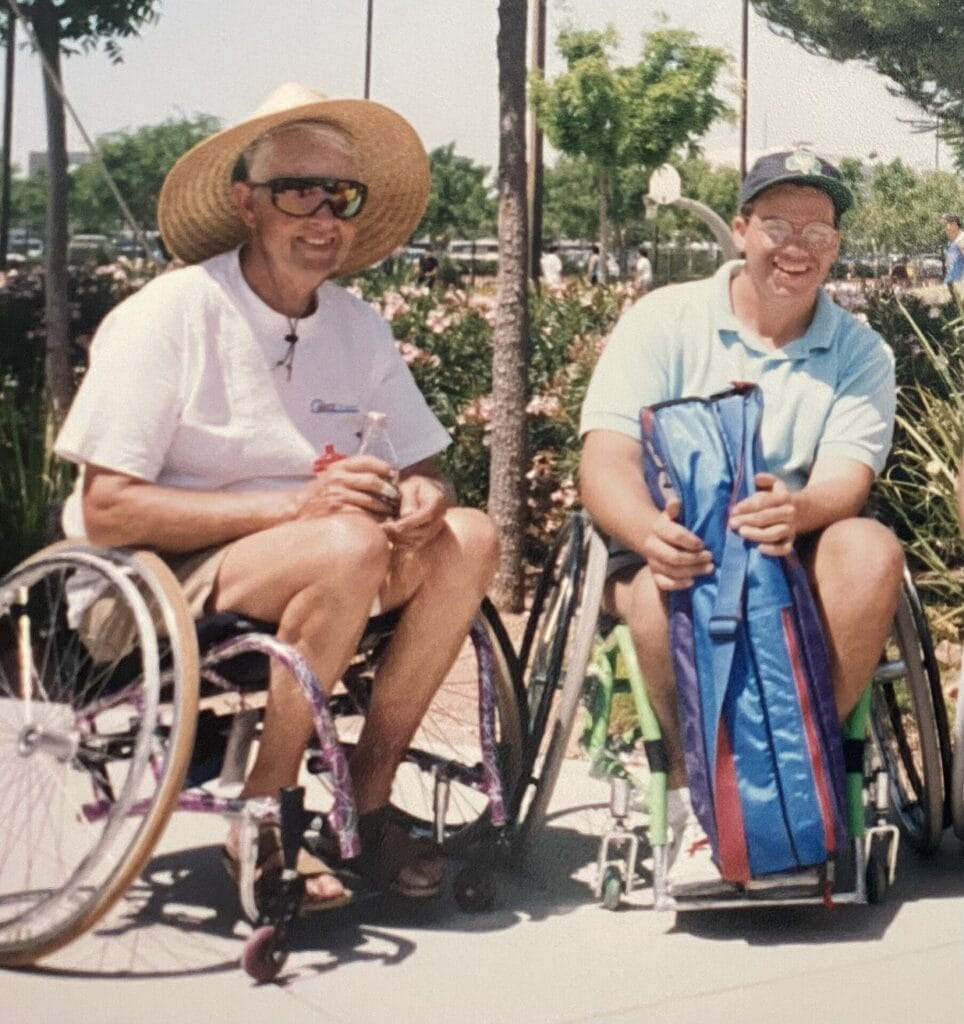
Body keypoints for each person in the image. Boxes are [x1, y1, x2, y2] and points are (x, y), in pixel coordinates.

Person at [54, 83, 499, 906]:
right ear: (246, 204)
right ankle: (265, 807)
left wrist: (424, 495)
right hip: (154, 577)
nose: (323, 215)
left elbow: (422, 464)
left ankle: (363, 802)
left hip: (323, 561)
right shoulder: (175, 314)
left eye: (342, 196)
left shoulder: (356, 325)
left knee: (469, 537)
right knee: (349, 541)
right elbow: (108, 507)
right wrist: (298, 510)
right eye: (298, 191)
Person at [579, 148, 902, 894]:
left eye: (818, 234)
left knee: (869, 549)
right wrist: (645, 531)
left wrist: (799, 509)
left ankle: (799, 783)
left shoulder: (860, 351)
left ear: (837, 248)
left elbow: (846, 477)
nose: (797, 249)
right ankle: (708, 801)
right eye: (778, 226)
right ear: (740, 228)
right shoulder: (663, 318)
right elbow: (605, 458)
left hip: (793, 543)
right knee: (665, 603)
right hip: (678, 536)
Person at [942, 213, 964, 286]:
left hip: (959, 283)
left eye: (946, 225)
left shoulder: (962, 240)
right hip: (952, 282)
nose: (945, 228)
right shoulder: (954, 241)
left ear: (954, 224)